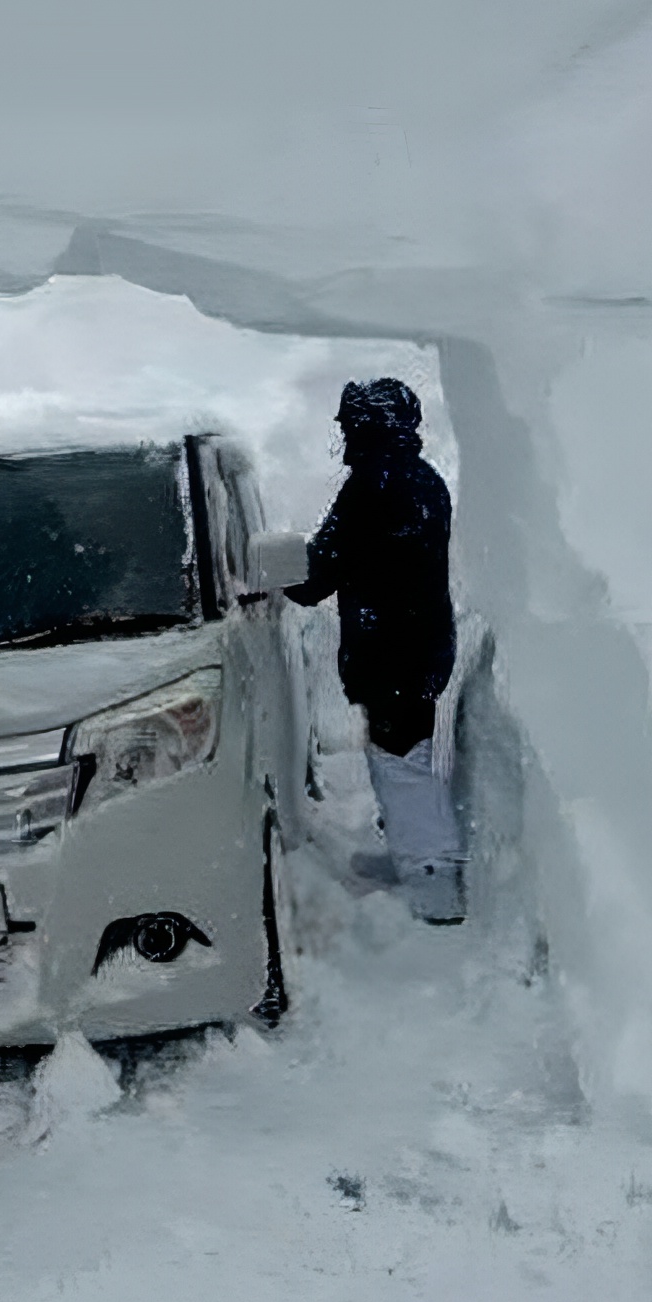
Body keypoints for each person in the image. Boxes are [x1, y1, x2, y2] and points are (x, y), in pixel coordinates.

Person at [287, 378, 466, 923]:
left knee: (401, 762)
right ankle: (415, 857)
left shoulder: (372, 487)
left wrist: (283, 569)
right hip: (421, 644)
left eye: (349, 425)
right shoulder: (424, 481)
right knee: (402, 753)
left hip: (390, 650)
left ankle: (432, 876)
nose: (344, 435)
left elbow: (316, 576)